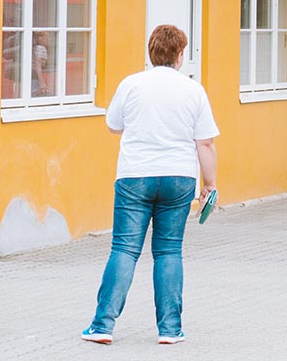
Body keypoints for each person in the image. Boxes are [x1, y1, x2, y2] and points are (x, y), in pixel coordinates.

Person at [83, 24, 218, 346]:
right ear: (180, 55)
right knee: (169, 251)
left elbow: (113, 126)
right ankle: (170, 329)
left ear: (151, 51)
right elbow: (206, 144)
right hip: (178, 178)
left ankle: (102, 325)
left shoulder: (132, 84)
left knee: (124, 249)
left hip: (135, 176)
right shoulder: (193, 90)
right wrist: (209, 185)